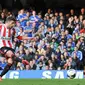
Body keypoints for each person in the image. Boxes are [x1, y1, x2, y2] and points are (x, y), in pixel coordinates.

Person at [0, 16, 34, 81]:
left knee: (10, 62)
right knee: (11, 54)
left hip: (10, 47)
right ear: (8, 22)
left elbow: (20, 37)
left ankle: (0, 76)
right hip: (2, 47)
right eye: (12, 23)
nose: (13, 25)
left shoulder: (13, 30)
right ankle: (22, 61)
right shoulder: (1, 26)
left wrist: (30, 38)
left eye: (14, 23)